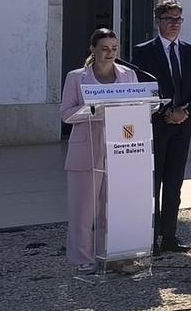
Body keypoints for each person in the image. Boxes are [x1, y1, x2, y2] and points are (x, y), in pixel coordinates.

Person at [58, 28, 143, 278]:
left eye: (114, 48)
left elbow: (138, 106)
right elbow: (66, 114)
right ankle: (83, 258)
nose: (110, 53)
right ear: (93, 50)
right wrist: (94, 111)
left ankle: (114, 255)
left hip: (120, 148)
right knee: (83, 209)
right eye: (104, 48)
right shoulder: (76, 77)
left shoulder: (129, 75)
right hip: (86, 148)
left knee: (115, 206)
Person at [130, 0, 191, 254]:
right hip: (156, 126)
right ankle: (149, 238)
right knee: (153, 184)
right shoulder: (143, 52)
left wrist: (185, 112)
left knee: (174, 184)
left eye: (178, 20)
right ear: (158, 21)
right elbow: (142, 89)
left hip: (182, 127)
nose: (174, 25)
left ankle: (170, 236)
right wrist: (166, 112)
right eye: (169, 20)